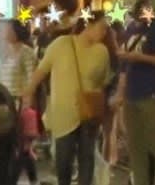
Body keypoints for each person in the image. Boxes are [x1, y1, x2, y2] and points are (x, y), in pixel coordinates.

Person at [24, 10, 111, 185]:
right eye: (101, 27)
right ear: (88, 25)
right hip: (64, 113)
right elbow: (41, 71)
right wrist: (29, 92)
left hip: (88, 113)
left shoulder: (102, 52)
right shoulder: (61, 44)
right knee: (63, 160)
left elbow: (103, 82)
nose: (104, 32)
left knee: (87, 158)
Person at [115, 0, 155, 185]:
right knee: (136, 146)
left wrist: (142, 58)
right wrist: (120, 92)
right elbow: (124, 67)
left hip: (154, 93)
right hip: (132, 94)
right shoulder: (132, 28)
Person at [0, 19, 38, 184]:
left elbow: (32, 78)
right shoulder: (6, 51)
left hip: (21, 102)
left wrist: (27, 103)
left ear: (16, 32)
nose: (4, 32)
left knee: (22, 143)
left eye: (7, 29)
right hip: (7, 102)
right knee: (13, 142)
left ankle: (19, 178)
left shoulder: (27, 52)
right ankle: (28, 177)